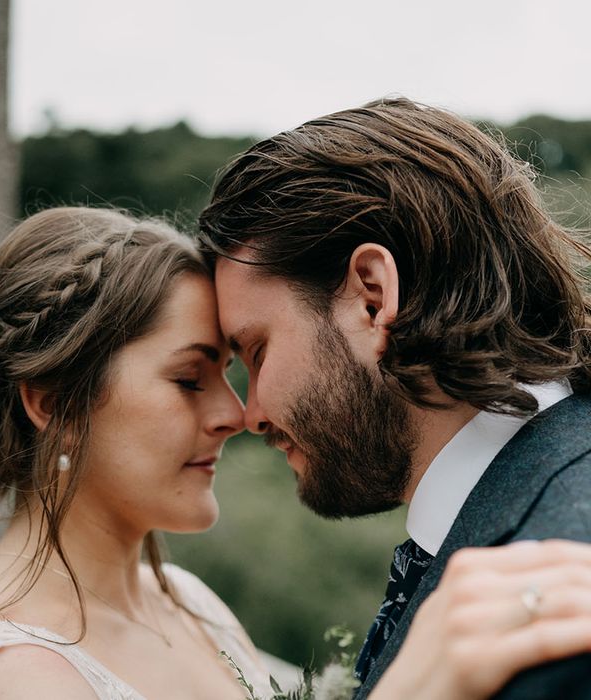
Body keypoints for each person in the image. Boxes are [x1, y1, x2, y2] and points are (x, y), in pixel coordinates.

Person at [0, 206, 591, 700]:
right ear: (53, 403)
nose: (235, 415)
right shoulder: (16, 677)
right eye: (188, 379)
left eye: (235, 370)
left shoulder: (188, 601)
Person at [198, 97, 591, 698]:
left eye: (255, 353)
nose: (249, 416)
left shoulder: (561, 583)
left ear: (372, 299)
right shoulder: (514, 509)